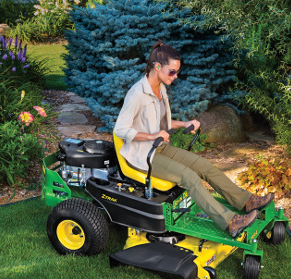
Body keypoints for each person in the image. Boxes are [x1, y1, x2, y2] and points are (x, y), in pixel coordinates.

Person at [114, 40, 274, 237]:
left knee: (204, 166)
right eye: (172, 72)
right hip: (142, 155)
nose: (175, 76)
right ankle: (230, 222)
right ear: (157, 67)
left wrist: (184, 124)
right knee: (189, 177)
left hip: (160, 148)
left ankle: (246, 201)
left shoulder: (160, 88)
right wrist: (152, 135)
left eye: (177, 72)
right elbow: (120, 129)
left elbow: (161, 122)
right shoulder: (137, 94)